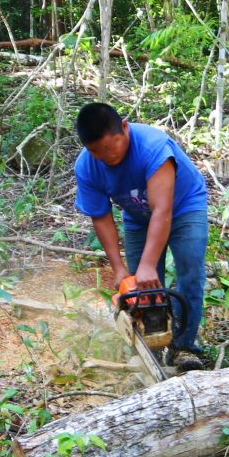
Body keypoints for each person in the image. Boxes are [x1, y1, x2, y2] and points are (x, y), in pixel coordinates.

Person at [73, 102, 209, 371]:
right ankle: (151, 348)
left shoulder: (153, 147)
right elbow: (101, 217)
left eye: (111, 147)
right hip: (137, 216)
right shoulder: (87, 166)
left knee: (190, 272)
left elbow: (162, 210)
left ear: (124, 128)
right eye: (97, 151)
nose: (105, 156)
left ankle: (184, 348)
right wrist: (120, 269)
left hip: (183, 206)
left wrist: (149, 265)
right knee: (140, 289)